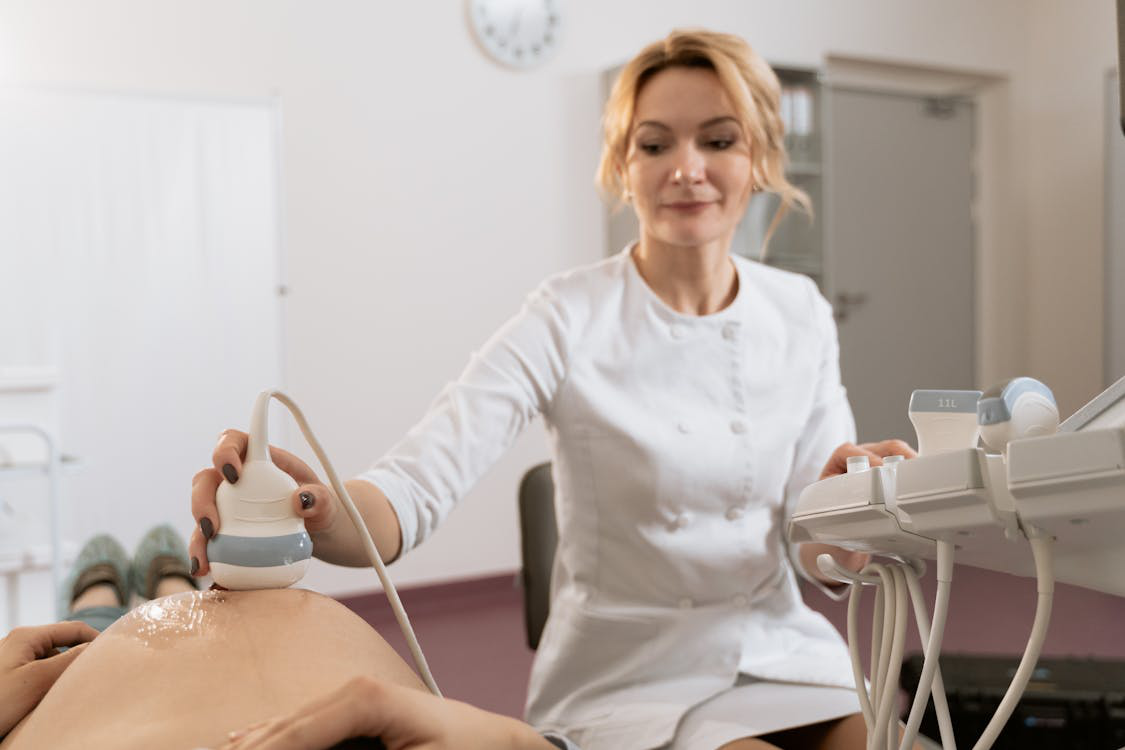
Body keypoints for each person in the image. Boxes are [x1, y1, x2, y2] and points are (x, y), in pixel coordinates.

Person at [190, 29, 918, 750]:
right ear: (621, 165)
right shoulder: (567, 315)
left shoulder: (798, 312)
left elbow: (816, 544)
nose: (686, 169)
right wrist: (309, 510)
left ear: (757, 155)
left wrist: (854, 514)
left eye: (718, 141)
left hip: (780, 655)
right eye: (655, 144)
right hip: (630, 678)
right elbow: (411, 489)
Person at [0, 531, 562, 750]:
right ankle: (168, 582)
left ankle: (112, 595)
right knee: (143, 619)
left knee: (84, 638)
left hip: (89, 686)